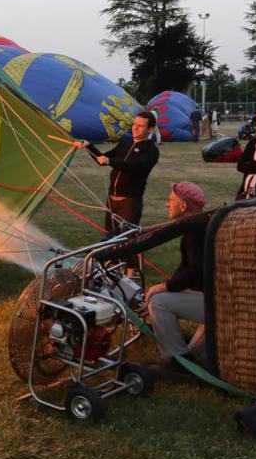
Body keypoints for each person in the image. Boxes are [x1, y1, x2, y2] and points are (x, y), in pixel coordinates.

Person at [145, 182, 210, 367]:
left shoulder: (193, 231)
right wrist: (168, 286)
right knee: (198, 359)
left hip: (218, 305)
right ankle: (188, 361)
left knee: (159, 302)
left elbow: (196, 272)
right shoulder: (203, 224)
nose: (167, 204)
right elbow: (187, 267)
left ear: (183, 206)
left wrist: (162, 288)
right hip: (221, 299)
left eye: (170, 200)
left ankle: (175, 359)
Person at [77, 111, 159, 233]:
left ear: (150, 129)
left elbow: (134, 167)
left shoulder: (151, 151)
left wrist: (111, 161)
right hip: (111, 200)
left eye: (140, 126)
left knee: (126, 239)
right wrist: (88, 146)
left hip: (130, 202)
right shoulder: (125, 143)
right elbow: (102, 159)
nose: (135, 128)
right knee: (109, 238)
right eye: (134, 124)